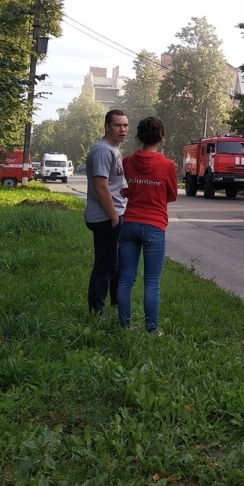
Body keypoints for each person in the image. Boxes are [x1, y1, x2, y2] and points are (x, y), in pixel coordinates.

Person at [117, 116, 179, 334]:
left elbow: (130, 187)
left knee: (125, 278)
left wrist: (133, 191)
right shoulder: (168, 165)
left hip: (130, 222)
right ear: (161, 137)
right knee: (152, 282)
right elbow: (171, 195)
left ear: (139, 137)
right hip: (154, 226)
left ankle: (125, 327)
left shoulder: (127, 162)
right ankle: (152, 331)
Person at [84, 109, 129, 313]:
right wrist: (113, 216)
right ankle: (96, 312)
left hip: (113, 215)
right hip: (105, 218)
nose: (122, 129)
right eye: (117, 125)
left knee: (115, 265)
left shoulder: (113, 149)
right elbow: (101, 186)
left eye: (125, 125)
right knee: (105, 267)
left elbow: (111, 183)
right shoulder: (103, 150)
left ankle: (115, 305)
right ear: (107, 127)